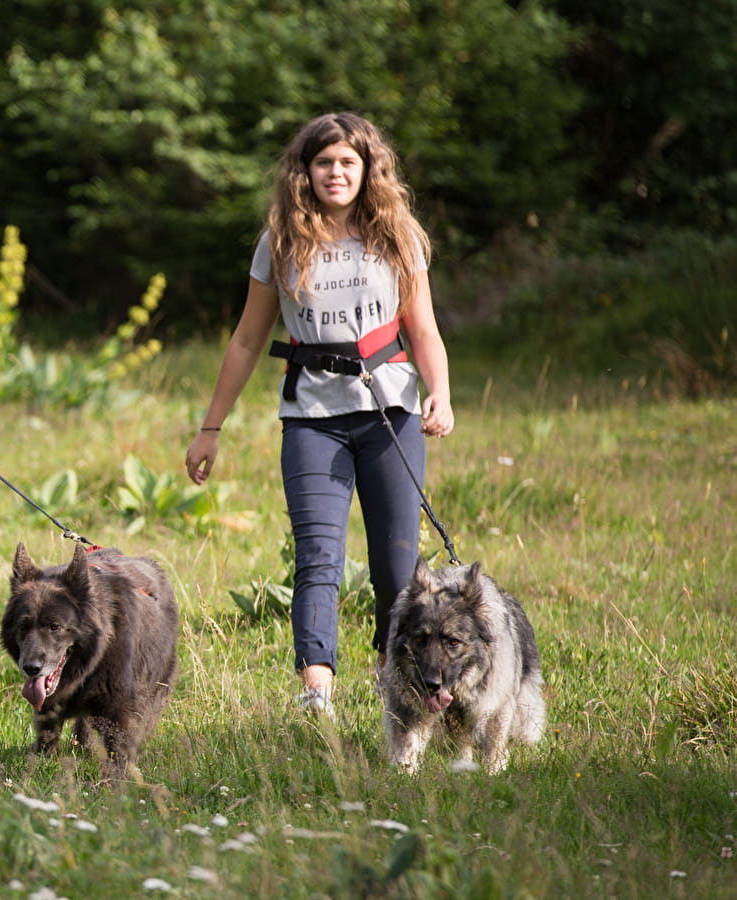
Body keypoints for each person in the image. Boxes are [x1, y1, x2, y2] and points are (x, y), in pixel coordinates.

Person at [183, 112, 454, 713]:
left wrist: (440, 391)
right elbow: (248, 340)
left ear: (367, 170)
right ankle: (316, 690)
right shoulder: (280, 242)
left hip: (392, 414)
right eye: (324, 161)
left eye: (348, 162)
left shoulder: (397, 236)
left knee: (395, 565)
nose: (336, 172)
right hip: (312, 420)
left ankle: (394, 671)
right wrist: (210, 428)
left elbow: (423, 329)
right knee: (318, 556)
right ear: (304, 171)